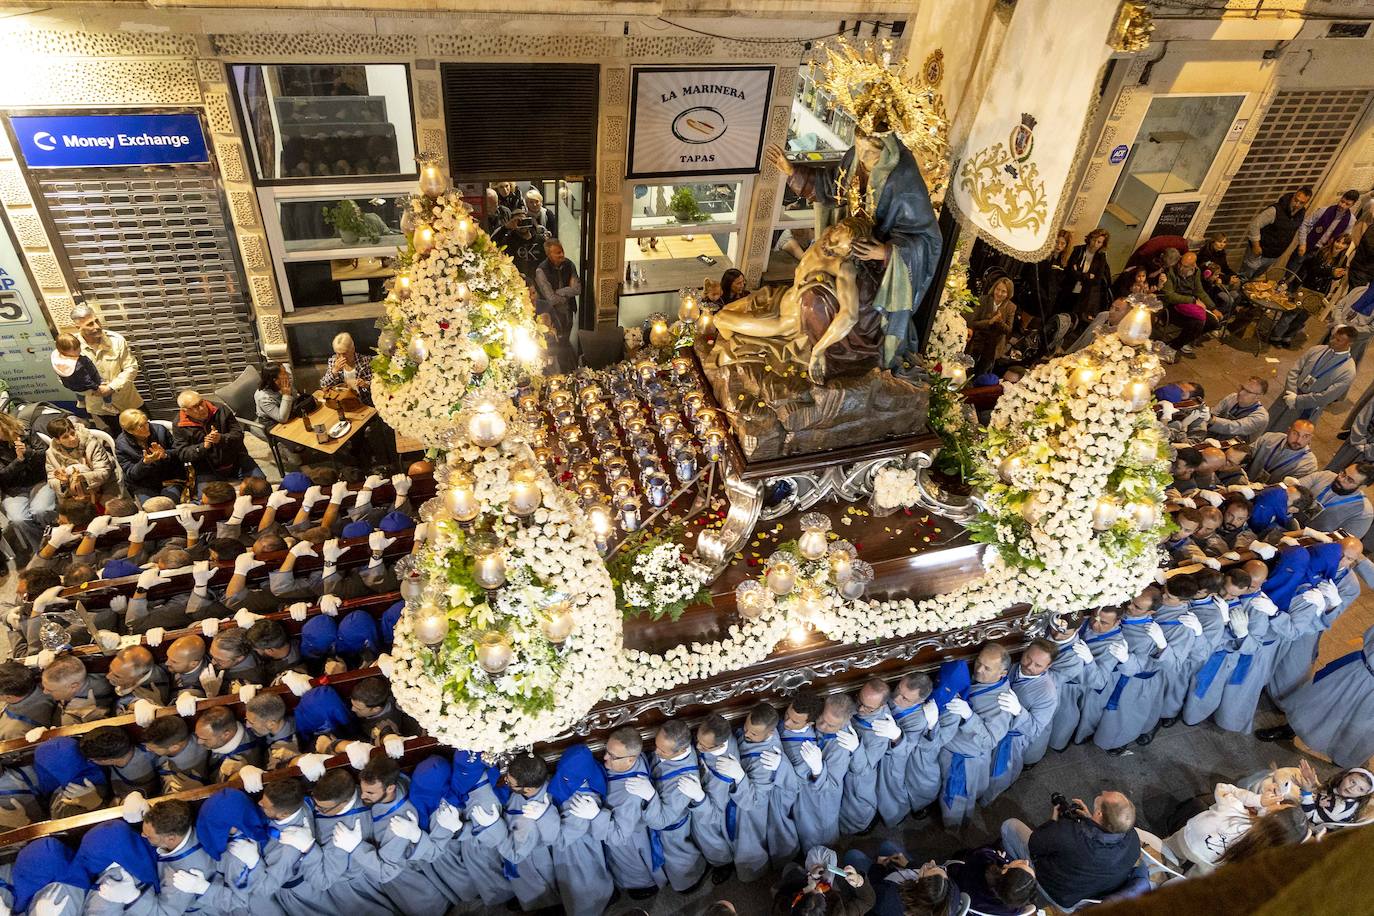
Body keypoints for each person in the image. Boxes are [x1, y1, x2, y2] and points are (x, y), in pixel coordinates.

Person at [767, 113, 943, 371]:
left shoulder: (903, 178)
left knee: (825, 301)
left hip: (880, 270)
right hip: (848, 246)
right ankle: (813, 342)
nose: (862, 157)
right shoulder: (855, 159)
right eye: (858, 148)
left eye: (870, 153)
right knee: (810, 290)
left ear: (887, 150)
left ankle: (833, 353)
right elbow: (832, 187)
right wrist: (793, 172)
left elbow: (927, 240)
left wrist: (884, 252)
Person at [1258, 618, 1374, 766]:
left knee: (1359, 728)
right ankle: (1292, 728)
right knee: (1320, 700)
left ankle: (1343, 760)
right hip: (1359, 671)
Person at [999, 792, 1141, 908]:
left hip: (1052, 890)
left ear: (1099, 814)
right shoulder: (1134, 841)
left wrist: (1053, 822)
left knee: (1009, 826)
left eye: (1105, 795)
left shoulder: (1068, 834)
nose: (1104, 792)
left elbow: (1035, 844)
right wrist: (1091, 821)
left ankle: (1016, 875)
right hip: (1080, 899)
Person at [938, 643, 1012, 827]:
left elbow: (989, 741)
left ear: (1002, 673)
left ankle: (954, 829)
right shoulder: (979, 680)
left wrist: (969, 716)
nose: (978, 670)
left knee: (956, 799)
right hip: (950, 746)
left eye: (987, 668)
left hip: (964, 759)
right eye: (978, 662)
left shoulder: (1002, 704)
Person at [980, 639, 1059, 805]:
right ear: (1025, 651)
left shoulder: (1048, 693)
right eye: (1028, 658)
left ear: (1048, 667)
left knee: (999, 774)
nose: (1029, 666)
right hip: (992, 727)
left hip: (1011, 739)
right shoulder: (1013, 667)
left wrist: (1019, 711)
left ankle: (987, 800)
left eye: (1038, 665)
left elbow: (1034, 729)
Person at [1163, 780, 1290, 873]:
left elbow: (1222, 788)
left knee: (1168, 852)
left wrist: (1258, 800)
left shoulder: (1235, 807)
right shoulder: (1260, 845)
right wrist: (1264, 810)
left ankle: (1161, 866)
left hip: (1189, 840)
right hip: (1211, 865)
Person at [596, 726, 665, 897]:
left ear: (630, 760)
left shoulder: (630, 795)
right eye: (607, 751)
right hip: (629, 826)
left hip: (627, 834)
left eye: (612, 756)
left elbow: (618, 838)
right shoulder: (634, 760)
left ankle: (643, 885)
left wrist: (596, 815)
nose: (605, 757)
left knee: (629, 861)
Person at [641, 719, 708, 893]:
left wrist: (650, 796)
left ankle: (688, 883)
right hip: (668, 816)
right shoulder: (675, 749)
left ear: (682, 750)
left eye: (662, 751)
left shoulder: (683, 783)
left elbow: (661, 821)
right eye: (657, 746)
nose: (656, 752)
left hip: (672, 828)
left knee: (678, 859)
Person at [68, 303, 142, 436]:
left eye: (97, 321)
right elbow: (66, 378)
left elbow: (131, 367)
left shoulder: (116, 340)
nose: (97, 326)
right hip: (100, 406)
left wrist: (111, 388)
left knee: (144, 430)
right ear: (78, 327)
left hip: (127, 401)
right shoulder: (70, 346)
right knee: (118, 436)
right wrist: (93, 390)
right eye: (90, 324)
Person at [172, 389, 260, 488]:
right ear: (185, 411)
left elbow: (238, 435)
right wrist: (203, 447)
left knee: (260, 487)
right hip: (206, 469)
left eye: (201, 402)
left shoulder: (220, 409)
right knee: (208, 496)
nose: (202, 408)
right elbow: (182, 453)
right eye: (195, 407)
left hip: (236, 460)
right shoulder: (179, 424)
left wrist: (221, 439)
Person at [0, 411, 52, 567]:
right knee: (19, 519)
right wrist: (19, 460)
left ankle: (56, 542)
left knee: (40, 510)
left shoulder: (26, 433)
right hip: (14, 490)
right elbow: (2, 476)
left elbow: (46, 454)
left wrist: (28, 453)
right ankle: (43, 551)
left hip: (39, 481)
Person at [114, 408, 184, 506]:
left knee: (168, 504)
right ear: (130, 431)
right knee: (151, 507)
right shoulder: (121, 445)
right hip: (143, 485)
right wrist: (144, 463)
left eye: (146, 423)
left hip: (170, 478)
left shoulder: (160, 430)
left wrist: (165, 455)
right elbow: (131, 473)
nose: (147, 427)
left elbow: (179, 453)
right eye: (141, 426)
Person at [1241, 188, 1312, 280]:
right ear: (1293, 196)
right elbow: (1255, 225)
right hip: (1259, 251)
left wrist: (1302, 243)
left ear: (1306, 203)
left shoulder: (1301, 214)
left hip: (1274, 255)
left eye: (1301, 203)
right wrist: (1256, 246)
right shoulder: (1275, 210)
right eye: (1296, 200)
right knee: (1244, 276)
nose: (1297, 204)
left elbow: (1300, 227)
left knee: (1255, 279)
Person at [44, 415, 119, 503]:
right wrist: (63, 482)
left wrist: (82, 476)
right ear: (57, 440)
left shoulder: (91, 444)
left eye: (73, 433)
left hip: (104, 483)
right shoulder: (51, 453)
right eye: (65, 437)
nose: (72, 438)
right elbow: (51, 480)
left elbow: (104, 472)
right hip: (73, 491)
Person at [534, 238, 581, 372]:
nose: (562, 255)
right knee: (556, 346)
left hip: (568, 311)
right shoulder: (541, 271)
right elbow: (551, 298)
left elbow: (577, 289)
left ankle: (568, 370)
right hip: (553, 315)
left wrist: (560, 291)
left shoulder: (569, 265)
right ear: (549, 255)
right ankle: (559, 372)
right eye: (558, 253)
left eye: (562, 251)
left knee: (565, 342)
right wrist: (567, 292)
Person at [1160, 251, 1221, 355]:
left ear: (1193, 265)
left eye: (1186, 266)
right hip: (1173, 306)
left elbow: (1199, 291)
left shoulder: (1196, 272)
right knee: (1196, 323)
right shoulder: (1170, 271)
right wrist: (1192, 301)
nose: (1181, 267)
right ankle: (1173, 347)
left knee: (1213, 322)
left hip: (1190, 305)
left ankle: (1183, 341)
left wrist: (1213, 308)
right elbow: (1170, 296)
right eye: (1181, 263)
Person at [1296, 464, 1374, 537]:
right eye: (1343, 473)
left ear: (1361, 487)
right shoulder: (1325, 476)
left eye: (1350, 480)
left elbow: (1342, 542)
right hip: (1291, 518)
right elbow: (1293, 490)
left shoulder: (1364, 514)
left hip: (1309, 540)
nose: (1340, 478)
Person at [967, 276, 1017, 373]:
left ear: (1008, 294)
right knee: (968, 369)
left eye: (1003, 291)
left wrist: (1000, 321)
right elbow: (973, 323)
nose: (999, 293)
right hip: (977, 341)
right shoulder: (983, 299)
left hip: (994, 345)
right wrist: (989, 322)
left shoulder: (1011, 307)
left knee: (982, 372)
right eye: (998, 289)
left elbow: (1008, 330)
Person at [1061, 228, 1113, 321]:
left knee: (1074, 318)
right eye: (1094, 240)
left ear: (1102, 244)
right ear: (1090, 238)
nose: (1095, 244)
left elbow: (1097, 279)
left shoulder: (1101, 257)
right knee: (1061, 312)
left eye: (1099, 242)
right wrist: (1088, 276)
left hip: (1084, 294)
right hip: (1068, 288)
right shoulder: (1079, 250)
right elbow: (1070, 271)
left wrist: (1079, 273)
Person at [1247, 420, 1318, 484]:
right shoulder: (1270, 437)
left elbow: (1291, 489)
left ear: (1310, 438)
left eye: (1305, 436)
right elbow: (1248, 452)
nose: (1298, 440)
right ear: (1288, 431)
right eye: (1295, 433)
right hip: (1245, 480)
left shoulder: (1309, 464)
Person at [1207, 376, 1271, 442]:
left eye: (1248, 391)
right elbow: (1214, 412)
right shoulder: (1232, 397)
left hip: (1235, 446)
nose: (1241, 393)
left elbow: (1234, 427)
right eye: (1242, 388)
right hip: (1213, 437)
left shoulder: (1261, 417)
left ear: (1258, 397)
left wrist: (1210, 419)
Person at [318, 332, 373, 405]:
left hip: (363, 403)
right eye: (338, 353)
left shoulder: (365, 362)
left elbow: (376, 387)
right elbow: (323, 385)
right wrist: (334, 372)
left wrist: (365, 384)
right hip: (343, 402)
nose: (341, 357)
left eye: (344, 353)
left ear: (352, 349)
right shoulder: (333, 361)